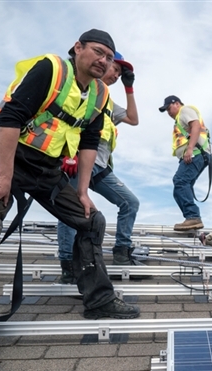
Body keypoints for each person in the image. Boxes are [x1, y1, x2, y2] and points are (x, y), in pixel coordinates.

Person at [0, 29, 140, 330]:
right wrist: (4, 178)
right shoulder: (52, 69)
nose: (103, 60)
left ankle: (99, 300)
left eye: (108, 56)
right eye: (97, 51)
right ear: (78, 48)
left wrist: (84, 191)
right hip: (3, 158)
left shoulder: (100, 95)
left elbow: (90, 141)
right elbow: (11, 119)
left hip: (46, 170)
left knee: (91, 220)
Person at [57, 51, 140, 284]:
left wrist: (129, 87)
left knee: (130, 202)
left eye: (121, 74)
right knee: (70, 211)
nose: (116, 74)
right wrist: (68, 154)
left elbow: (133, 119)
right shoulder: (80, 90)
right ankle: (68, 265)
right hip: (75, 162)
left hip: (100, 166)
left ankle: (122, 252)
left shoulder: (107, 102)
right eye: (116, 69)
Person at [159, 95, 211, 231]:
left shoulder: (185, 110)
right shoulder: (179, 118)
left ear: (176, 104)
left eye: (169, 109)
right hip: (196, 154)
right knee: (183, 184)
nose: (168, 113)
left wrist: (189, 149)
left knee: (180, 182)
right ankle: (192, 219)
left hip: (195, 153)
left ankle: (193, 217)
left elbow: (195, 126)